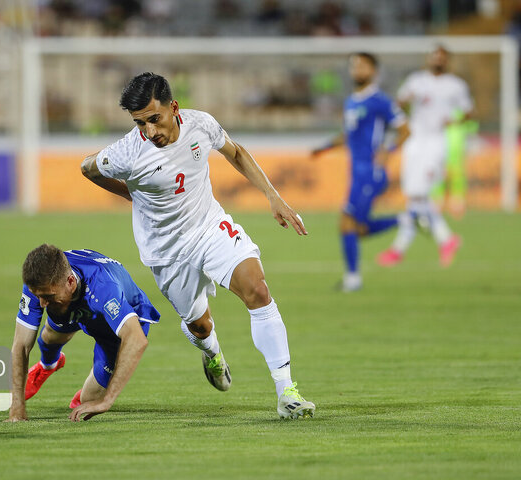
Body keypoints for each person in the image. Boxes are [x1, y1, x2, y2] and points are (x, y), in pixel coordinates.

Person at [80, 72, 314, 420]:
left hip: (209, 227)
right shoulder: (129, 151)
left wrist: (272, 196)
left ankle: (287, 392)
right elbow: (87, 168)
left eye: (154, 119)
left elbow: (235, 152)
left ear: (173, 107)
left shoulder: (200, 124)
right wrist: (133, 196)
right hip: (167, 251)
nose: (150, 131)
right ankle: (212, 352)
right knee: (200, 325)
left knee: (258, 290)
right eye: (140, 123)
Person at [6, 245, 160, 423]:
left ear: (70, 282)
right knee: (49, 336)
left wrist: (106, 401)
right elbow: (21, 345)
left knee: (89, 401)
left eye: (47, 296)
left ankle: (92, 391)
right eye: (38, 296)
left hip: (114, 328)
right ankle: (48, 365)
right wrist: (17, 408)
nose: (41, 303)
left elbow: (137, 339)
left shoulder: (104, 288)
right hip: (74, 304)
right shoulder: (43, 282)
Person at [311, 52, 410, 292]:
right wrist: (325, 147)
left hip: (371, 172)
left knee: (347, 223)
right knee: (358, 228)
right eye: (354, 65)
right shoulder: (351, 102)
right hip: (357, 172)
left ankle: (353, 279)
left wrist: (388, 150)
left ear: (373, 71)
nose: (357, 70)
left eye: (362, 66)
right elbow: (349, 135)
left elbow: (405, 129)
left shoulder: (380, 100)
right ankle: (406, 219)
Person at [377, 45, 471, 267]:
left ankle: (399, 250)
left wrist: (454, 122)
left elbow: (468, 112)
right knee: (415, 197)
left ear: (447, 60)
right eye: (434, 55)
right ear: (429, 58)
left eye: (442, 56)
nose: (437, 59)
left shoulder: (456, 85)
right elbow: (398, 105)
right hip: (415, 142)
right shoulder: (416, 80)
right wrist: (406, 101)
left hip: (436, 144)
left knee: (418, 195)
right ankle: (446, 239)